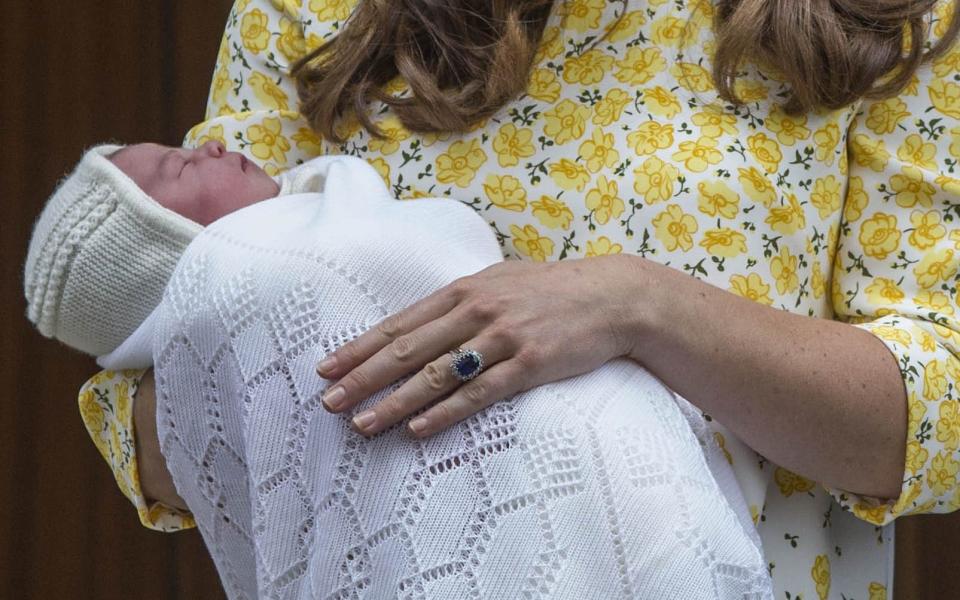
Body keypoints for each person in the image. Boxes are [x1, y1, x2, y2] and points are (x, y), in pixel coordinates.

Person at [60, 0, 960, 597]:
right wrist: (331, 355)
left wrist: (638, 308)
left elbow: (939, 418)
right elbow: (152, 402)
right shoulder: (313, 9)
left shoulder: (886, 17)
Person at [24, 141, 774, 597]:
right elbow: (184, 409)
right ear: (167, 251)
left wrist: (635, 305)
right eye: (177, 168)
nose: (210, 146)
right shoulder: (247, 268)